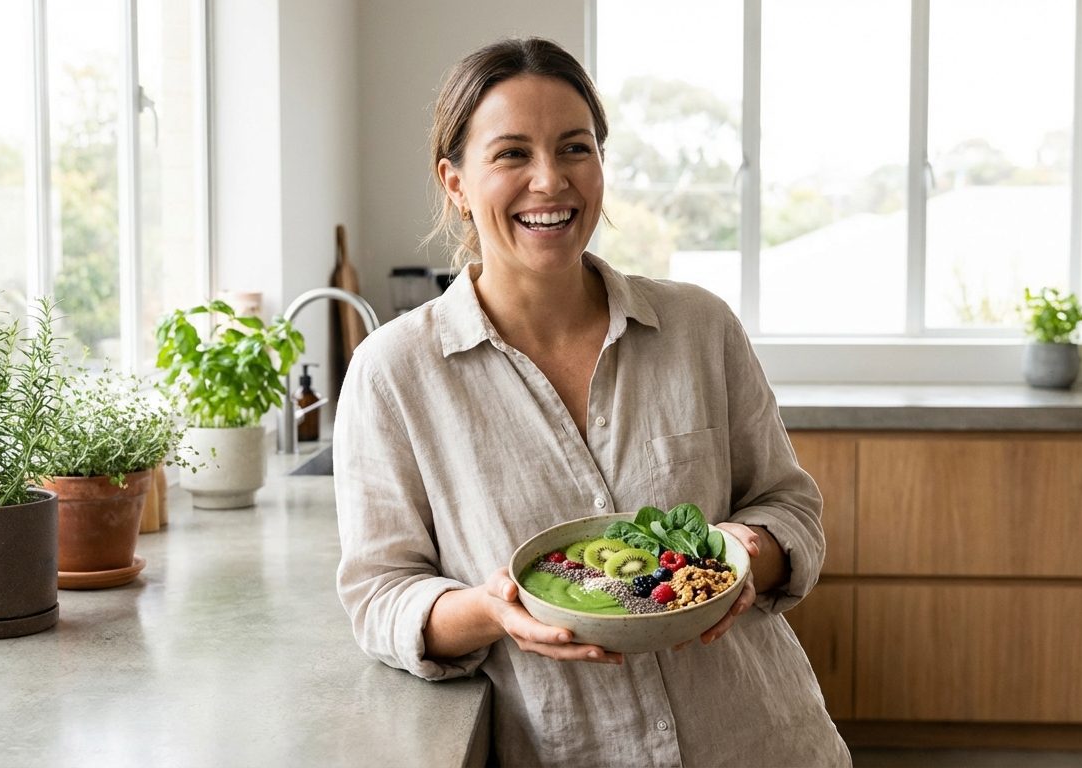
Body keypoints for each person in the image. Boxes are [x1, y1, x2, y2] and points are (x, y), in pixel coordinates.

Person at [333, 37, 850, 767]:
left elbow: (788, 506)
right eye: (512, 154)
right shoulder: (395, 373)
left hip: (759, 738)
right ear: (454, 181)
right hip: (568, 746)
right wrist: (492, 612)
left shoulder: (700, 328)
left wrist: (748, 554)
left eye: (574, 148)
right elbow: (380, 596)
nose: (550, 181)